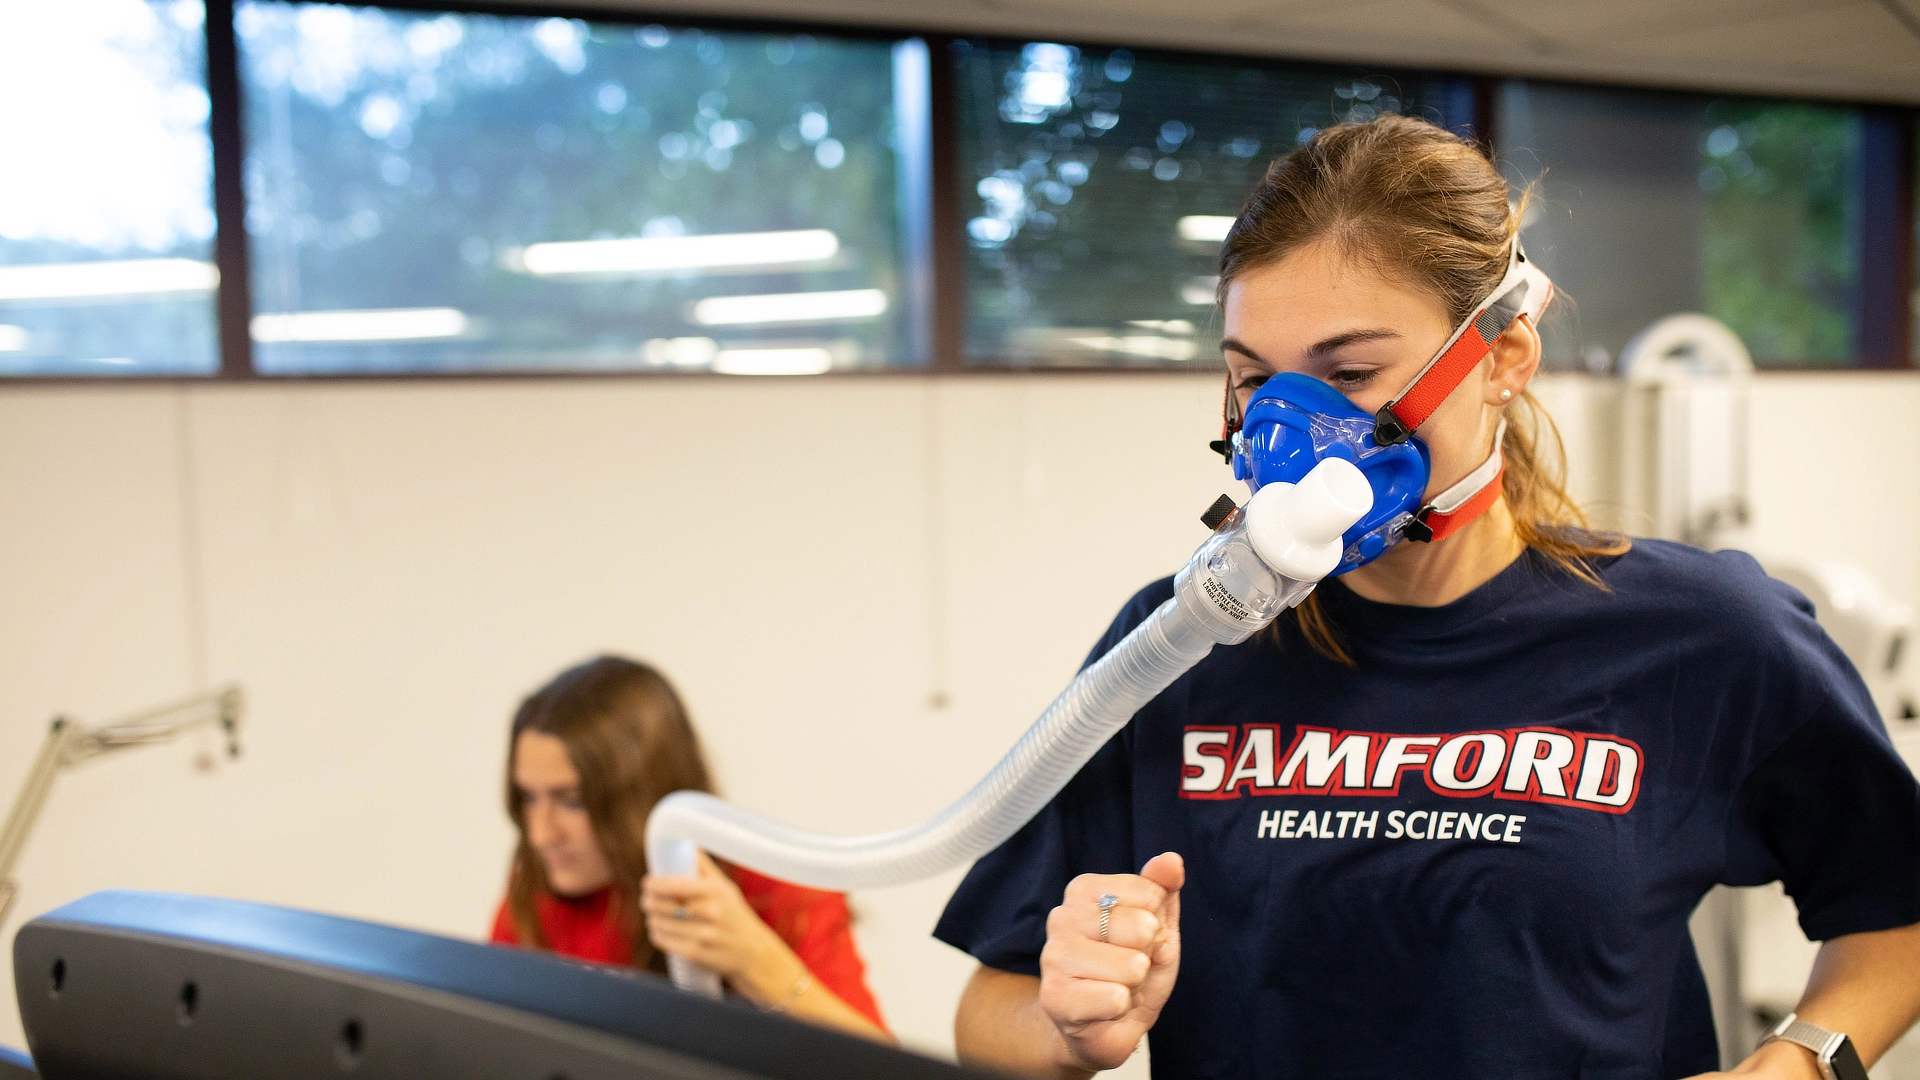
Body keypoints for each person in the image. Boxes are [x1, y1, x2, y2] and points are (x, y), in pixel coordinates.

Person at [935, 115, 1920, 1080]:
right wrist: (1073, 1027)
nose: (1288, 432)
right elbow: (991, 1013)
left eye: (1350, 373)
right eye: (1251, 383)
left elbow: (1897, 915)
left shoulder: (1701, 635)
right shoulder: (1181, 646)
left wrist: (1801, 1065)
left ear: (1503, 357)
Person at [490, 654, 890, 1042]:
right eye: (528, 797)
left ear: (643, 793)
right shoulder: (543, 885)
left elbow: (883, 1070)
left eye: (572, 801)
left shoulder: (776, 892)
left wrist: (757, 963)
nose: (541, 835)